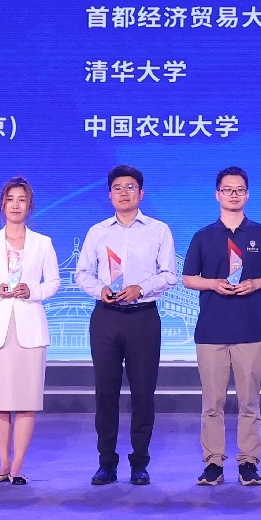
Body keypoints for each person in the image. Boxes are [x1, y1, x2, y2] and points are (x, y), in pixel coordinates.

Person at [75, 164, 178, 485]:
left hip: (143, 317)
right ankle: (106, 462)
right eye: (118, 188)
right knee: (105, 393)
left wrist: (141, 288)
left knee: (143, 393)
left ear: (141, 193)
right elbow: (82, 273)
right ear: (110, 195)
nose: (124, 193)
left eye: (130, 187)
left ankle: (139, 463)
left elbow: (169, 274)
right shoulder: (97, 232)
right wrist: (100, 289)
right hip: (106, 317)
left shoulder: (158, 230)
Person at [182, 165, 261, 486]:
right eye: (227, 190)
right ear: (217, 195)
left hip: (251, 331)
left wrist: (255, 284)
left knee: (249, 402)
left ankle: (248, 462)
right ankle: (213, 462)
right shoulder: (203, 236)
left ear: (247, 194)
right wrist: (212, 283)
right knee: (212, 403)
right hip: (211, 332)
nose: (233, 194)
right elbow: (188, 278)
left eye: (239, 189)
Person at [0, 176, 60, 483]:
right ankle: (3, 463)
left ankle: (18, 465)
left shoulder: (43, 243)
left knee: (25, 401)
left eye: (22, 200)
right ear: (2, 204)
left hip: (29, 328)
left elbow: (54, 283)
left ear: (29, 205)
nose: (15, 205)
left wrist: (32, 290)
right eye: (10, 199)